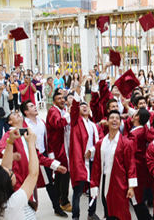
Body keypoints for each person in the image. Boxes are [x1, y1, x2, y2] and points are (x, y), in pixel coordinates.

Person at [19, 100, 69, 218]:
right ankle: (26, 210)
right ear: (26, 112)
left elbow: (48, 139)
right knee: (29, 184)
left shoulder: (41, 122)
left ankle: (56, 207)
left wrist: (50, 154)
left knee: (49, 183)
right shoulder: (24, 126)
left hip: (43, 155)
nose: (35, 107)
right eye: (31, 106)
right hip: (30, 158)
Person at [0, 128, 39, 220]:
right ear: (6, 183)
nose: (11, 170)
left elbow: (5, 166)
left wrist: (10, 141)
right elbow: (33, 174)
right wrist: (31, 144)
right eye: (11, 172)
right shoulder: (13, 203)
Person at [90, 110, 137, 220]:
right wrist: (94, 185)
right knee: (108, 210)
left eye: (117, 118)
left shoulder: (126, 143)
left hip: (120, 183)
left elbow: (131, 165)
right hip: (105, 181)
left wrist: (131, 187)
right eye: (112, 118)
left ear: (120, 123)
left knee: (122, 212)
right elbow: (96, 166)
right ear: (107, 122)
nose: (114, 120)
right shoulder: (101, 143)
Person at [68, 88, 101, 220]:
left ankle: (91, 213)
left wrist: (92, 150)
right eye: (81, 106)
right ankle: (75, 216)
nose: (83, 107)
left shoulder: (93, 125)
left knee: (93, 189)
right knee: (77, 191)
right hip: (80, 162)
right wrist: (78, 89)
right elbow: (75, 108)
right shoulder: (76, 121)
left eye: (85, 105)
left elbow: (99, 142)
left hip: (93, 160)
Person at [46, 92, 72, 213]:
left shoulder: (61, 110)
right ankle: (64, 201)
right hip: (58, 146)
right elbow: (57, 124)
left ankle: (58, 198)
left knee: (60, 173)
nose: (62, 100)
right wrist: (68, 115)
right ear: (54, 102)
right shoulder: (53, 111)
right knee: (65, 172)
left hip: (62, 145)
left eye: (63, 97)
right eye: (59, 98)